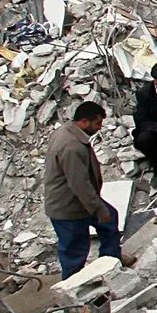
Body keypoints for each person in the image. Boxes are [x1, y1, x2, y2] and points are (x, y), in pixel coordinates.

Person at [42, 101, 123, 279]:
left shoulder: (69, 133)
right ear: (84, 122)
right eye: (97, 123)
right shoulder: (72, 147)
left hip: (81, 201)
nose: (99, 128)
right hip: (69, 208)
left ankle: (111, 264)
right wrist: (98, 209)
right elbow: (80, 184)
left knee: (110, 221)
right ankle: (72, 288)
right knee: (75, 251)